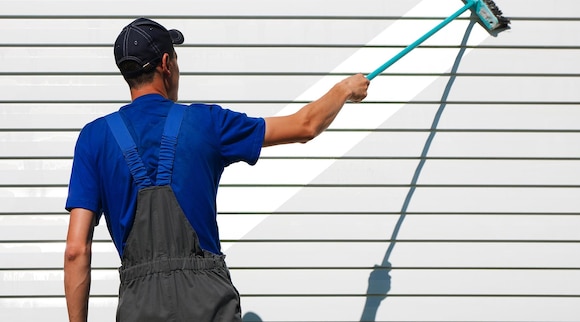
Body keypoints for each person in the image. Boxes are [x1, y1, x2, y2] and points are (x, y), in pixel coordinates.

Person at [63, 17, 369, 322]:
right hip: (207, 302)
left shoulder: (94, 138)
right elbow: (305, 125)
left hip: (139, 306)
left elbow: (76, 250)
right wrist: (344, 89)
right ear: (167, 63)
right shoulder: (207, 123)